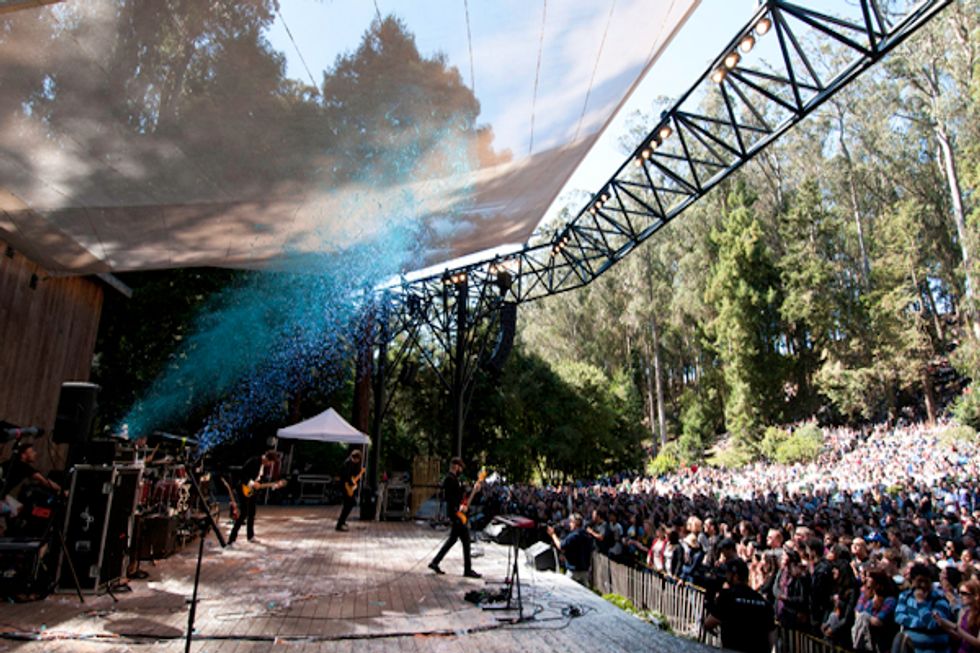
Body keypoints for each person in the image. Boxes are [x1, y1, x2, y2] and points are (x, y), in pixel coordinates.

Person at [704, 558, 776, 653]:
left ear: (735, 576)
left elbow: (709, 624)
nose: (726, 576)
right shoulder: (763, 602)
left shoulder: (727, 597)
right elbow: (771, 637)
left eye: (728, 574)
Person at [428, 457, 481, 578]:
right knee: (465, 541)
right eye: (460, 467)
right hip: (456, 514)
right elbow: (451, 499)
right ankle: (467, 570)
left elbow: (460, 494)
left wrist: (472, 490)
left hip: (457, 513)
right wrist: (458, 509)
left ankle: (435, 562)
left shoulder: (454, 479)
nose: (460, 469)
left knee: (453, 540)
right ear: (455, 466)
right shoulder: (450, 479)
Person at [894, 563, 952, 653]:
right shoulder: (905, 596)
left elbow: (933, 624)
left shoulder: (940, 599)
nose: (923, 585)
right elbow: (899, 617)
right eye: (920, 581)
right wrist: (923, 623)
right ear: (912, 581)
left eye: (926, 581)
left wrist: (921, 602)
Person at [228, 450, 280, 545]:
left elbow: (259, 481)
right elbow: (242, 474)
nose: (269, 465)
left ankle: (250, 536)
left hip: (252, 491)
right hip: (243, 488)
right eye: (270, 462)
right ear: (267, 459)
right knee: (243, 514)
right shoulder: (253, 461)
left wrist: (272, 485)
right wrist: (252, 483)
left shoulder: (262, 466)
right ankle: (231, 539)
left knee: (252, 512)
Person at [934, 577, 980, 653]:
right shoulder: (963, 611)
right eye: (959, 593)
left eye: (964, 593)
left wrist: (956, 627)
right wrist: (944, 625)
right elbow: (958, 637)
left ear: (976, 595)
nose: (960, 596)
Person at [547, 513, 593, 585]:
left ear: (576, 523)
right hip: (585, 571)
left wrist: (553, 535)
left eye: (571, 522)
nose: (569, 524)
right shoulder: (586, 534)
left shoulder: (574, 535)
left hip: (574, 571)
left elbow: (561, 546)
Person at [335, 449, 364, 532]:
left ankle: (342, 521)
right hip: (346, 487)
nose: (358, 461)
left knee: (349, 505)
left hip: (347, 487)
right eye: (357, 459)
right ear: (355, 458)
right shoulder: (348, 463)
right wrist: (352, 483)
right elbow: (346, 477)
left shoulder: (350, 463)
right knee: (348, 505)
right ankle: (340, 524)